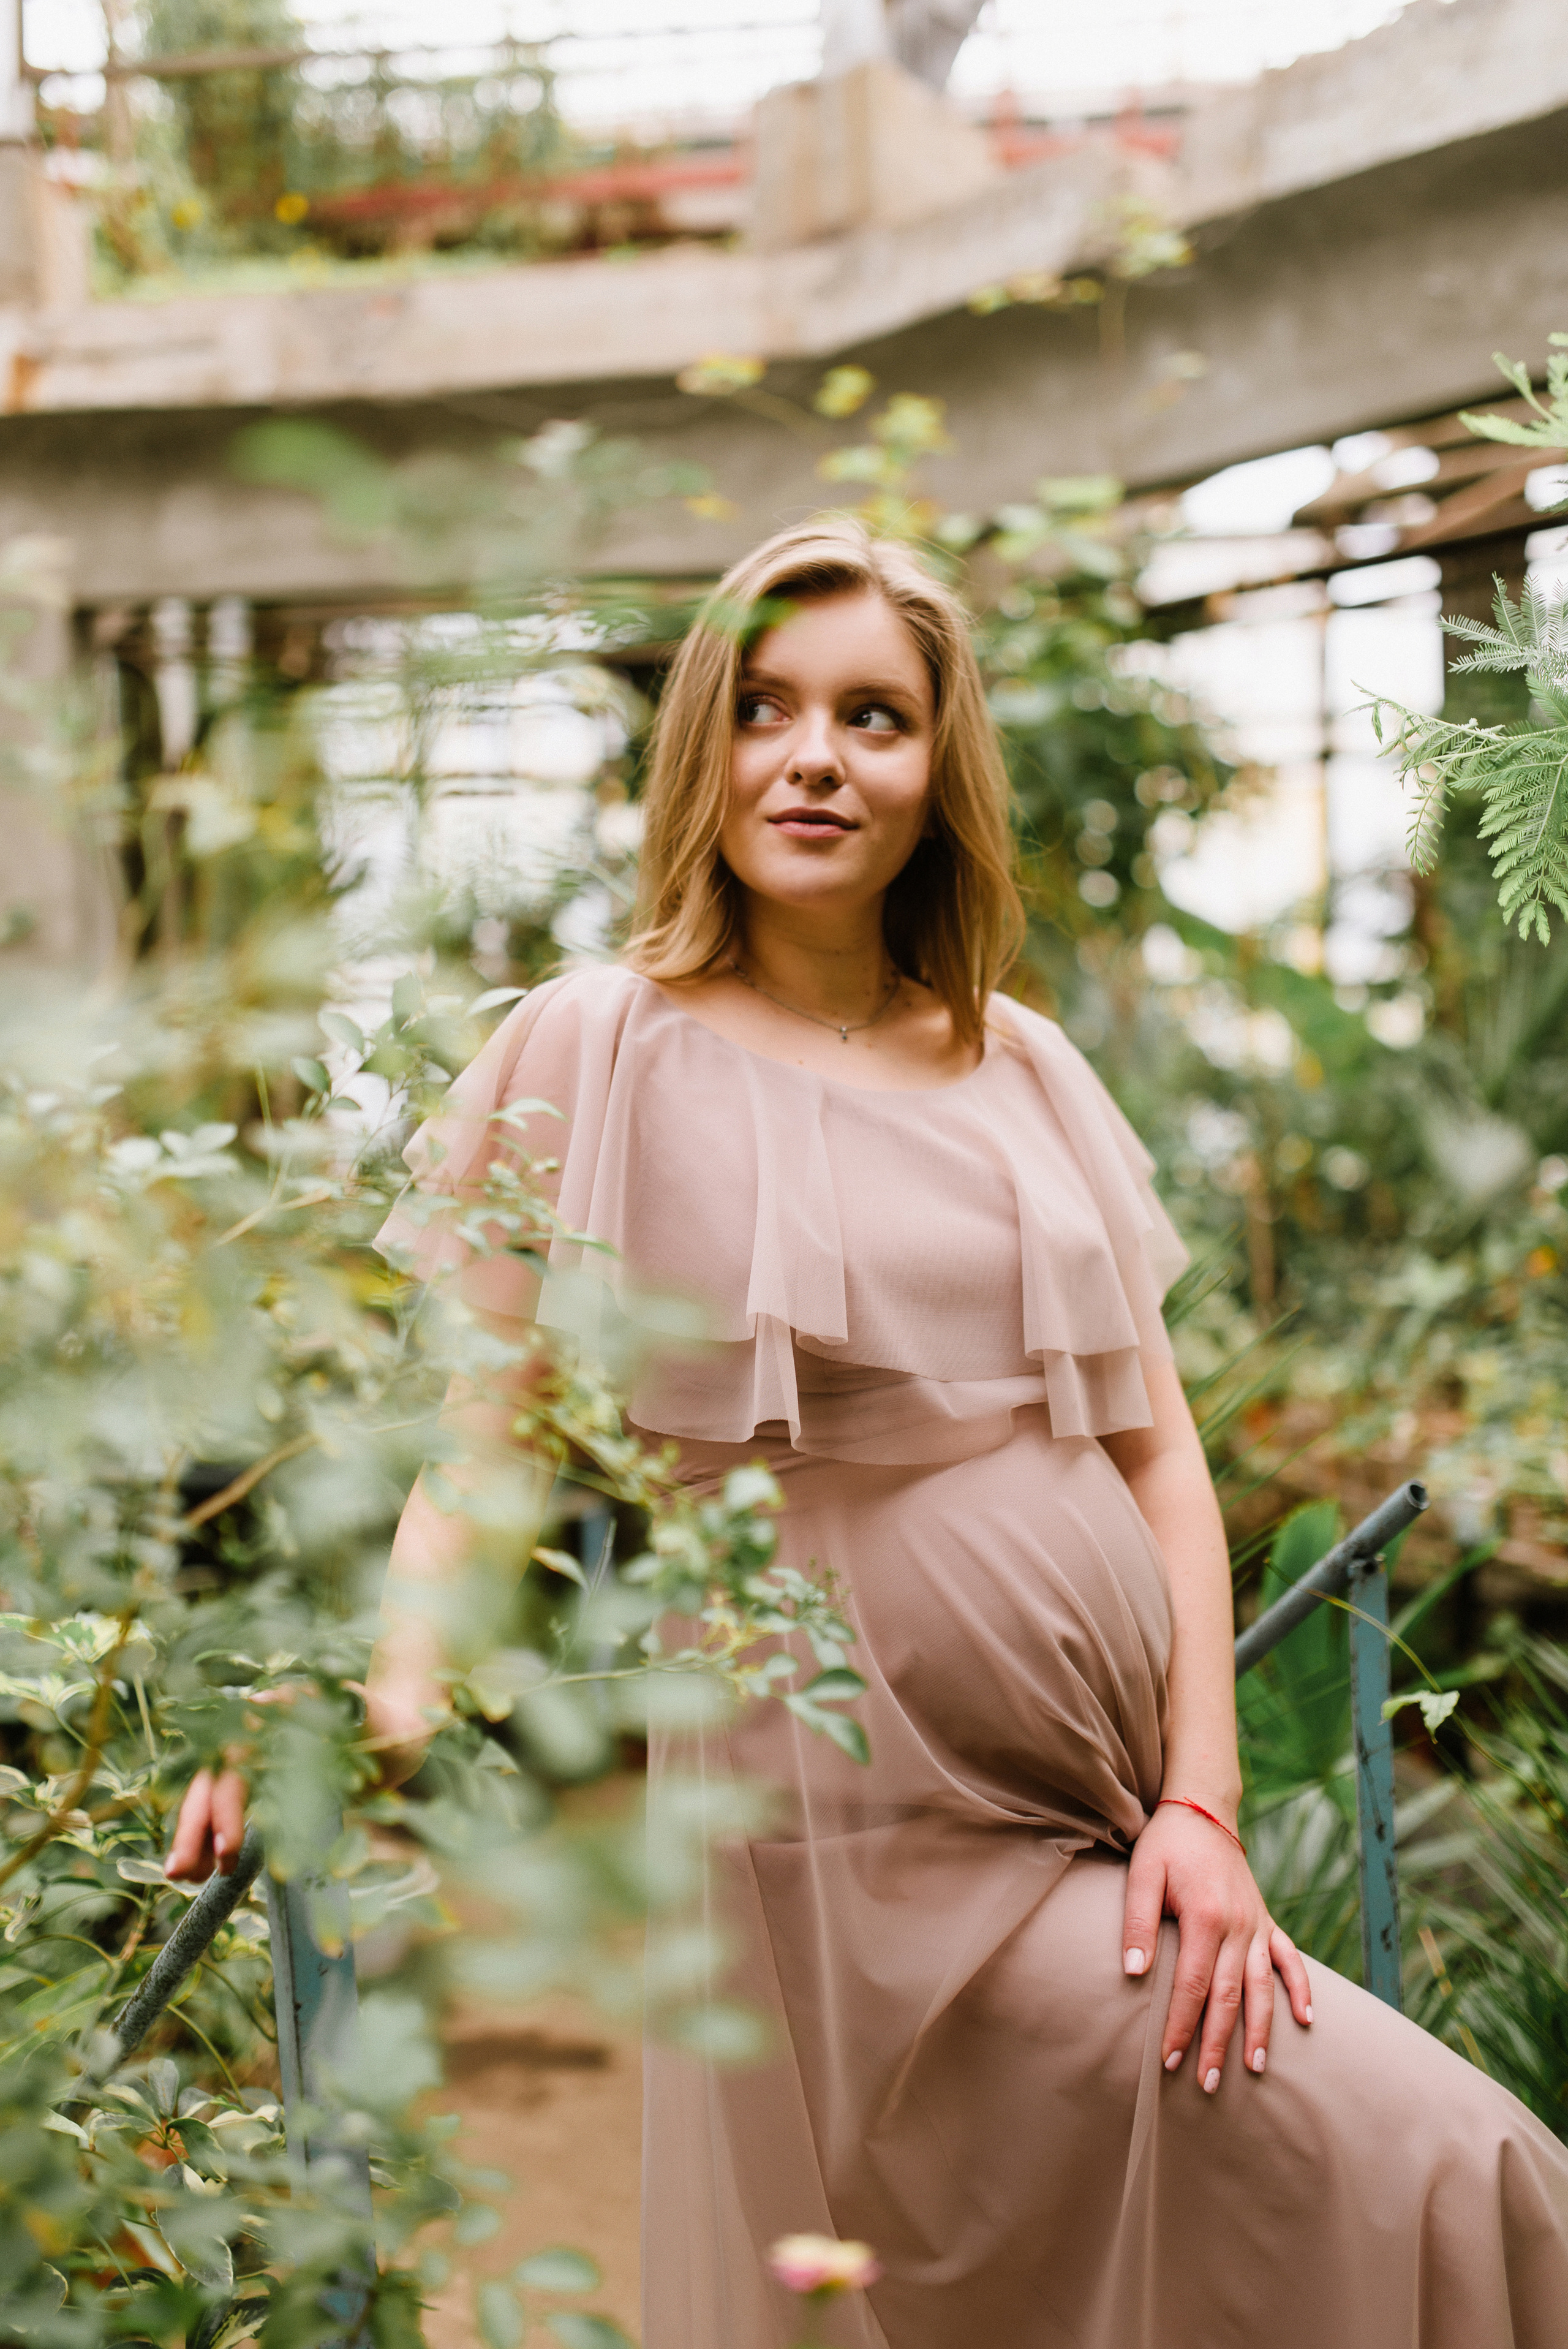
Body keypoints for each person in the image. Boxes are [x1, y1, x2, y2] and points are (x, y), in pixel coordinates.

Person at [173, 521, 1568, 2347]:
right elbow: (476, 1450)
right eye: (762, 708)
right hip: (845, 1834)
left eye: (874, 716)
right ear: (702, 748)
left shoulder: (1025, 1064)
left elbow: (1156, 1456)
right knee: (1441, 2157)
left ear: (938, 774)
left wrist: (1202, 1806)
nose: (814, 754)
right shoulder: (602, 1043)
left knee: (1397, 2176)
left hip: (1093, 1814)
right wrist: (364, 1724)